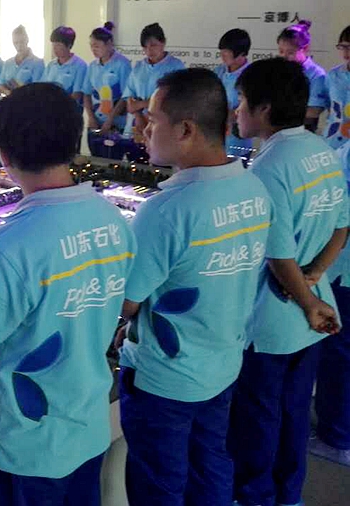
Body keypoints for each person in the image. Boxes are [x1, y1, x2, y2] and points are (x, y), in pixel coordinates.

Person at [0, 83, 135, 506]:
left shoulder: (4, 247)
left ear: (4, 156)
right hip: (87, 425)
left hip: (24, 445)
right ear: (73, 143)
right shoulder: (113, 221)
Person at [114, 68, 272, 506]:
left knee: (159, 484)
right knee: (210, 466)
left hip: (164, 380)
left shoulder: (166, 210)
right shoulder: (253, 188)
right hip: (223, 364)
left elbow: (126, 303)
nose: (143, 130)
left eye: (152, 120)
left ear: (185, 129)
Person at [228, 58, 348, 506]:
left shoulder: (269, 166)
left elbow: (278, 256)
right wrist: (315, 280)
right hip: (315, 311)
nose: (236, 110)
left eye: (241, 101)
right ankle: (289, 495)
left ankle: (256, 498)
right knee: (295, 411)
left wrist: (304, 295)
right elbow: (341, 227)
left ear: (264, 109)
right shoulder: (322, 150)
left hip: (275, 319)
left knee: (259, 417)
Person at [311, 24, 350, 467]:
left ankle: (336, 435)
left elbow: (342, 222)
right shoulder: (336, 152)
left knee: (339, 347)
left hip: (343, 267)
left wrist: (317, 270)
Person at [124, 23, 184, 144]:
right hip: (138, 126)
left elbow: (175, 99)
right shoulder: (139, 67)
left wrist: (142, 104)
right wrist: (138, 116)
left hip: (163, 126)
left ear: (163, 42)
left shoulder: (176, 66)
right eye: (145, 47)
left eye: (153, 45)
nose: (149, 50)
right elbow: (129, 99)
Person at [83, 22, 133, 159]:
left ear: (109, 44)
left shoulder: (122, 64)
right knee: (95, 161)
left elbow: (126, 96)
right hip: (96, 122)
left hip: (115, 124)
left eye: (97, 46)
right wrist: (91, 118)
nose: (93, 49)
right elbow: (86, 93)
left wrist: (110, 120)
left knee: (112, 162)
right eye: (91, 46)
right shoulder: (92, 66)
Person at [278, 20, 329, 132]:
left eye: (290, 52)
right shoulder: (278, 69)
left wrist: (279, 112)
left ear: (305, 48)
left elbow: (313, 111)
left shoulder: (317, 74)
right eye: (281, 51)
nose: (284, 56)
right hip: (276, 131)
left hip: (302, 131)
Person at [214, 29, 255, 159]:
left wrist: (226, 113)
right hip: (216, 141)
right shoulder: (219, 71)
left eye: (227, 52)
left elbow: (251, 111)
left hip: (238, 142)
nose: (222, 56)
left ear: (241, 53)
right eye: (221, 52)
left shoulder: (251, 76)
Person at [41, 26, 88, 104]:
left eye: (58, 45)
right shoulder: (51, 65)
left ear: (69, 45)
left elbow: (77, 94)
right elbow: (42, 87)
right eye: (53, 45)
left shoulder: (80, 65)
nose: (54, 48)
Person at [323, 25, 350, 150]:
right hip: (334, 142)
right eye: (342, 47)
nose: (345, 52)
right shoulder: (332, 75)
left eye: (349, 47)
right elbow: (330, 107)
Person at [0, 25, 44, 96]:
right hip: (10, 100)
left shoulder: (38, 63)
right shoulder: (8, 63)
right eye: (16, 43)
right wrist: (8, 92)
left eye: (22, 42)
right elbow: (1, 84)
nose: (19, 46)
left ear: (27, 40)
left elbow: (37, 88)